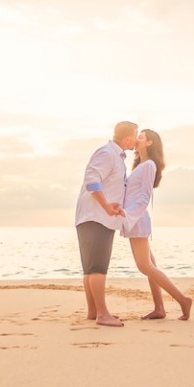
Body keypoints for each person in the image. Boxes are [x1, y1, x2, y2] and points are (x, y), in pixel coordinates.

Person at [121, 129, 192, 320]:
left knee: (144, 266)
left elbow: (144, 196)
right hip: (132, 219)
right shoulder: (140, 165)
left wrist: (129, 215)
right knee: (150, 264)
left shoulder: (149, 165)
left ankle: (183, 300)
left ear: (150, 143)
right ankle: (159, 308)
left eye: (141, 137)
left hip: (136, 219)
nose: (137, 139)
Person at [75, 121, 137, 327]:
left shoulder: (115, 156)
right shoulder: (108, 153)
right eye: (136, 136)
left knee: (90, 269)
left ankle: (93, 312)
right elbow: (92, 179)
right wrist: (106, 206)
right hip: (96, 216)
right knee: (98, 268)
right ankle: (102, 314)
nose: (137, 140)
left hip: (94, 216)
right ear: (128, 138)